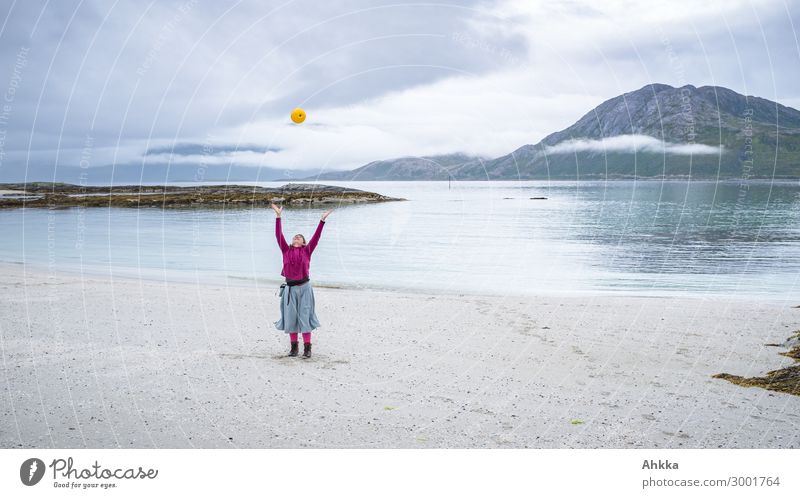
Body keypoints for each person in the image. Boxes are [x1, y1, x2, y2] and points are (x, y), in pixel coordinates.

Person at [271, 203, 333, 358]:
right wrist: (278, 216)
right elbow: (278, 235)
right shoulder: (286, 250)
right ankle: (293, 349)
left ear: (304, 242)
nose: (296, 237)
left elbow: (316, 237)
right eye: (295, 236)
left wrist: (322, 220)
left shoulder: (307, 250)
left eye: (300, 236)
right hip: (290, 289)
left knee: (304, 317)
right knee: (291, 318)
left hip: (305, 288)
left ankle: (307, 349)